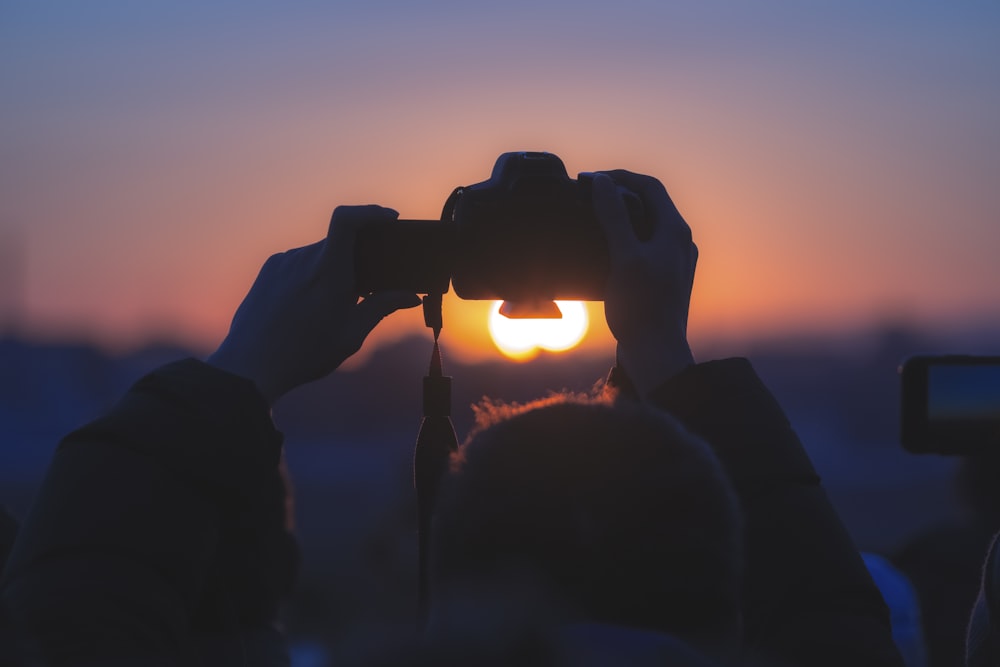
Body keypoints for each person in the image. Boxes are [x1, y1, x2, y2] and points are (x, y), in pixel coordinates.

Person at [0, 171, 903, 666]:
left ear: (452, 564)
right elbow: (825, 618)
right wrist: (665, 353)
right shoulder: (800, 620)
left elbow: (80, 605)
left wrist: (247, 369)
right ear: (718, 567)